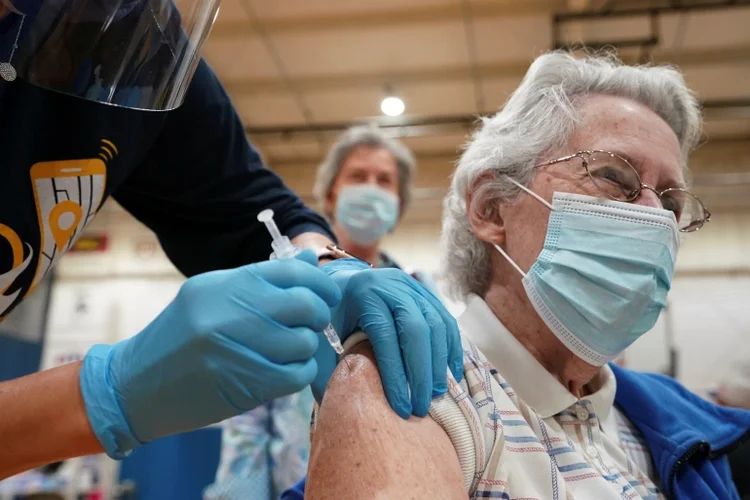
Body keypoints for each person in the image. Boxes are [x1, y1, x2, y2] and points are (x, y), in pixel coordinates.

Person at [0, 0, 463, 479]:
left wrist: (327, 265)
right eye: (358, 176)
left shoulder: (119, 30)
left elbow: (246, 205)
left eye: (384, 181)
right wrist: (104, 394)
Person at [300, 52, 750, 500]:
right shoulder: (419, 385)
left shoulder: (672, 423)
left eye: (671, 205)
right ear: (492, 207)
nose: (655, 219)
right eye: (613, 176)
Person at [206, 126, 439, 499]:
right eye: (357, 176)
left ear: (398, 205)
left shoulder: (420, 292)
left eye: (384, 181)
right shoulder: (285, 287)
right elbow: (249, 420)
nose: (371, 189)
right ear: (330, 196)